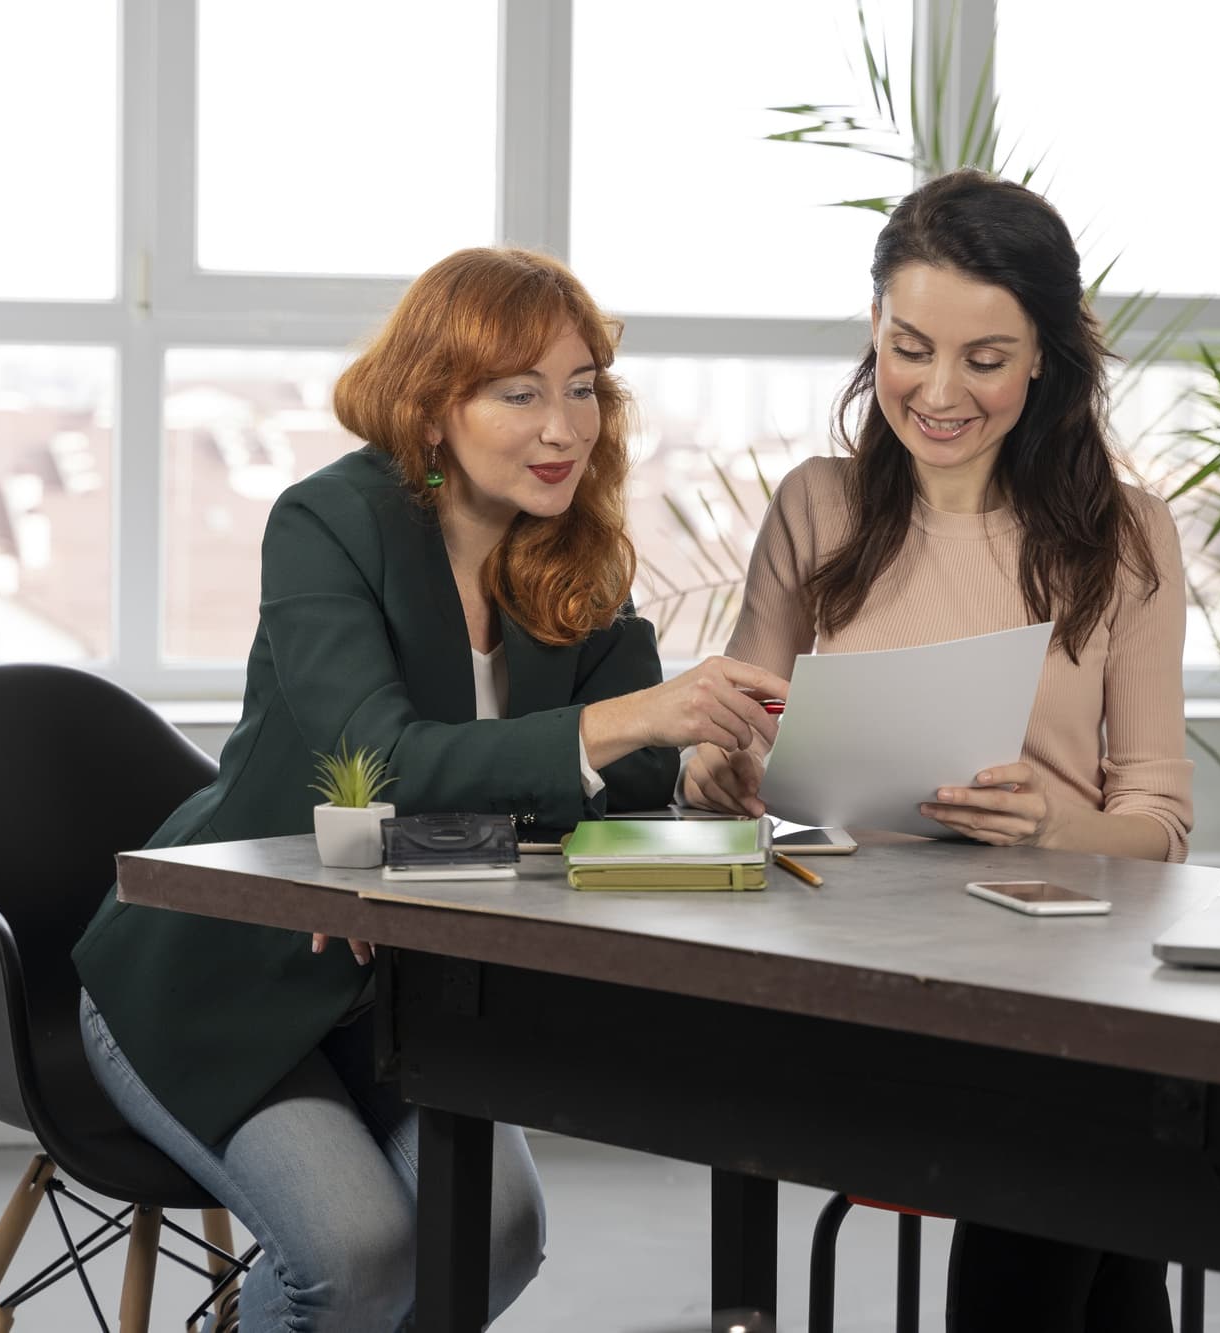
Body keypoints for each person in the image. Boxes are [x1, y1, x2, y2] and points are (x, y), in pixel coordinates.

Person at [71, 247, 787, 1333]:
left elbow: (612, 793)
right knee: (357, 1258)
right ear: (432, 402)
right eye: (520, 392)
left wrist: (694, 767)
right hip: (218, 974)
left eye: (583, 388)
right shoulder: (329, 523)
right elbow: (383, 761)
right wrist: (631, 720)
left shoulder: (578, 549)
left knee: (494, 1237)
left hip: (400, 992)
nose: (564, 427)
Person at [680, 170, 1194, 1331]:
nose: (939, 391)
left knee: (1075, 1133)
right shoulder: (817, 507)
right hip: (858, 980)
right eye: (911, 346)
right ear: (875, 329)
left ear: (1045, 361)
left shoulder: (1124, 535)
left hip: (1057, 977)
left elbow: (1157, 821)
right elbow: (725, 763)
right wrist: (716, 772)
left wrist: (1052, 823)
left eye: (986, 358)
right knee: (1086, 1162)